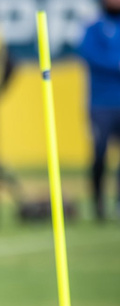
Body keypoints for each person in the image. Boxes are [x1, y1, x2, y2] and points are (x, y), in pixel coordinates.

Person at [78, 0, 120, 222]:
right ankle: (98, 204)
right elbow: (89, 55)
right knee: (99, 154)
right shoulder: (93, 27)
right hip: (100, 103)